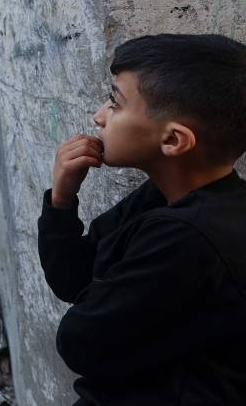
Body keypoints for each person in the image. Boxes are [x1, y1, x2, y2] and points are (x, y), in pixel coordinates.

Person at [39, 33, 246, 404]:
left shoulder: (189, 238)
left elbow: (79, 342)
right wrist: (62, 199)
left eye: (116, 103)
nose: (99, 115)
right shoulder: (163, 198)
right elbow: (71, 278)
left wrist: (102, 288)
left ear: (173, 141)